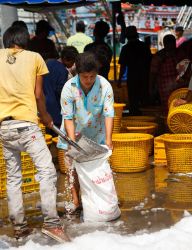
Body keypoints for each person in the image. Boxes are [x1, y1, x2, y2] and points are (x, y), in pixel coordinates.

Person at [0, 26, 69, 242]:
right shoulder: (35, 57)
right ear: (24, 41)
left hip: (4, 127)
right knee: (47, 171)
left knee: (13, 177)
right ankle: (51, 223)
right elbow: (39, 95)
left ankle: (19, 227)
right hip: (27, 126)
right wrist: (47, 117)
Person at [57, 52, 115, 216]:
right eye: (84, 76)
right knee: (71, 169)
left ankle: (96, 200)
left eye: (92, 76)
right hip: (72, 133)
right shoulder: (69, 88)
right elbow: (67, 117)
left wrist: (109, 139)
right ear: (78, 73)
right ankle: (76, 200)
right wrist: (72, 142)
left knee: (97, 170)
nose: (88, 80)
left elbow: (109, 113)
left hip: (97, 134)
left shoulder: (104, 86)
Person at [43, 46, 79, 136]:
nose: (73, 64)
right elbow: (62, 91)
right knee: (56, 135)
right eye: (73, 62)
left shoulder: (48, 63)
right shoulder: (63, 71)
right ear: (66, 59)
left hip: (43, 105)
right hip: (55, 108)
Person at [118, 26, 151, 115]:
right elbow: (150, 63)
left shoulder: (125, 48)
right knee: (144, 101)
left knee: (133, 102)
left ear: (126, 36)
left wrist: (119, 80)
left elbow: (123, 66)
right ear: (136, 35)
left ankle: (134, 116)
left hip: (132, 77)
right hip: (144, 77)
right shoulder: (144, 46)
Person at [149, 34, 179, 114]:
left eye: (172, 42)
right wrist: (151, 88)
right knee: (168, 108)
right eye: (169, 43)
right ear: (165, 44)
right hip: (165, 87)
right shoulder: (159, 56)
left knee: (179, 108)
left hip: (179, 86)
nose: (171, 45)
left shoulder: (179, 53)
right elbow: (153, 73)